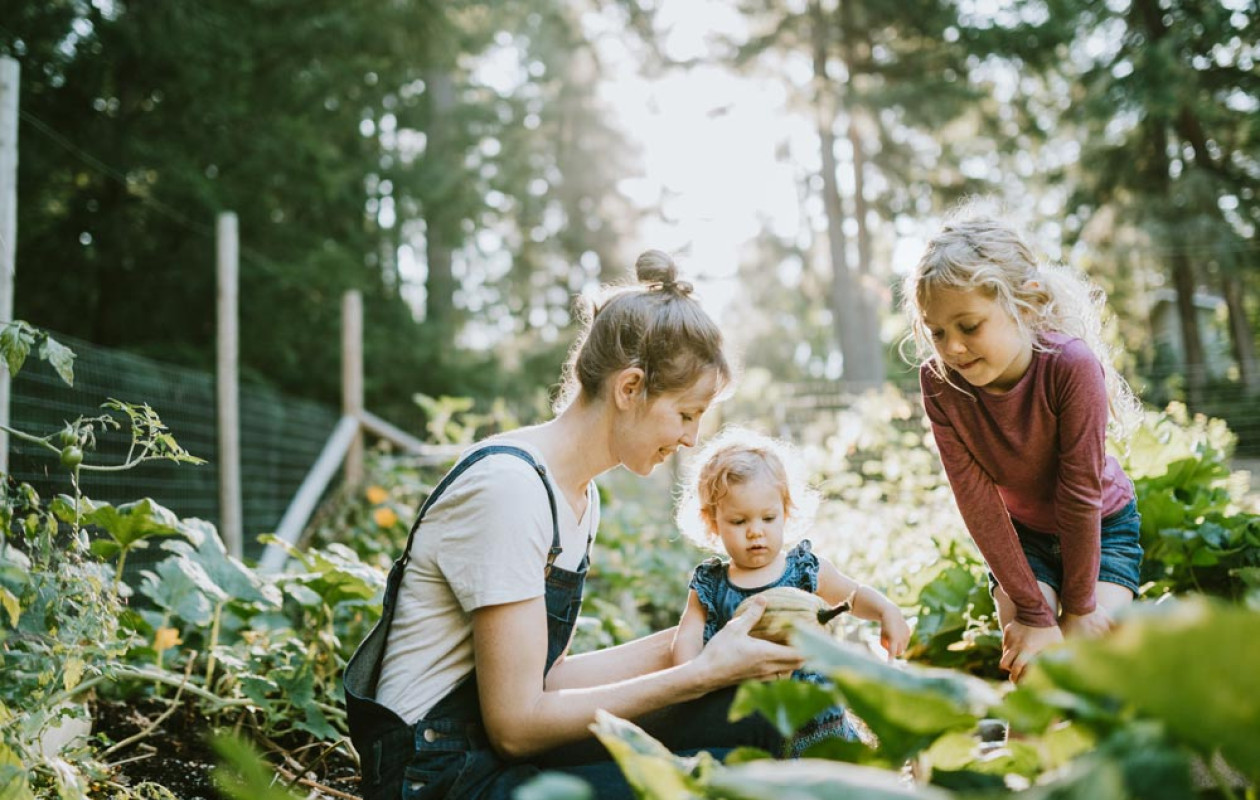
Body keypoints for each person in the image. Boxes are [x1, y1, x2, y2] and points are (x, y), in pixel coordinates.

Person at [343, 250, 805, 800]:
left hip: (485, 750)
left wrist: (706, 639)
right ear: (629, 389)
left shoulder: (577, 494)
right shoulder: (511, 490)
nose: (691, 439)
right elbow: (516, 726)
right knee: (716, 783)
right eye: (685, 414)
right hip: (437, 778)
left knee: (755, 723)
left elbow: (548, 679)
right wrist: (699, 674)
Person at [902, 205, 1144, 683]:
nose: (952, 348)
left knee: (1085, 670)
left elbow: (1079, 495)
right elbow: (978, 504)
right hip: (1022, 540)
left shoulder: (1070, 367)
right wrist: (1034, 614)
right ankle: (1026, 760)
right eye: (937, 333)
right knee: (1034, 673)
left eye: (969, 326)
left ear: (1026, 306)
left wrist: (1077, 609)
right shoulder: (941, 384)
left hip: (1102, 527)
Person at [670, 427, 911, 754]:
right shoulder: (711, 585)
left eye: (768, 518)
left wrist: (885, 610)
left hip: (820, 722)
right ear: (713, 522)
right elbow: (687, 637)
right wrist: (692, 676)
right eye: (739, 522)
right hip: (754, 724)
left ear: (786, 511)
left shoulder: (804, 571)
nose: (756, 532)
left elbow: (852, 595)